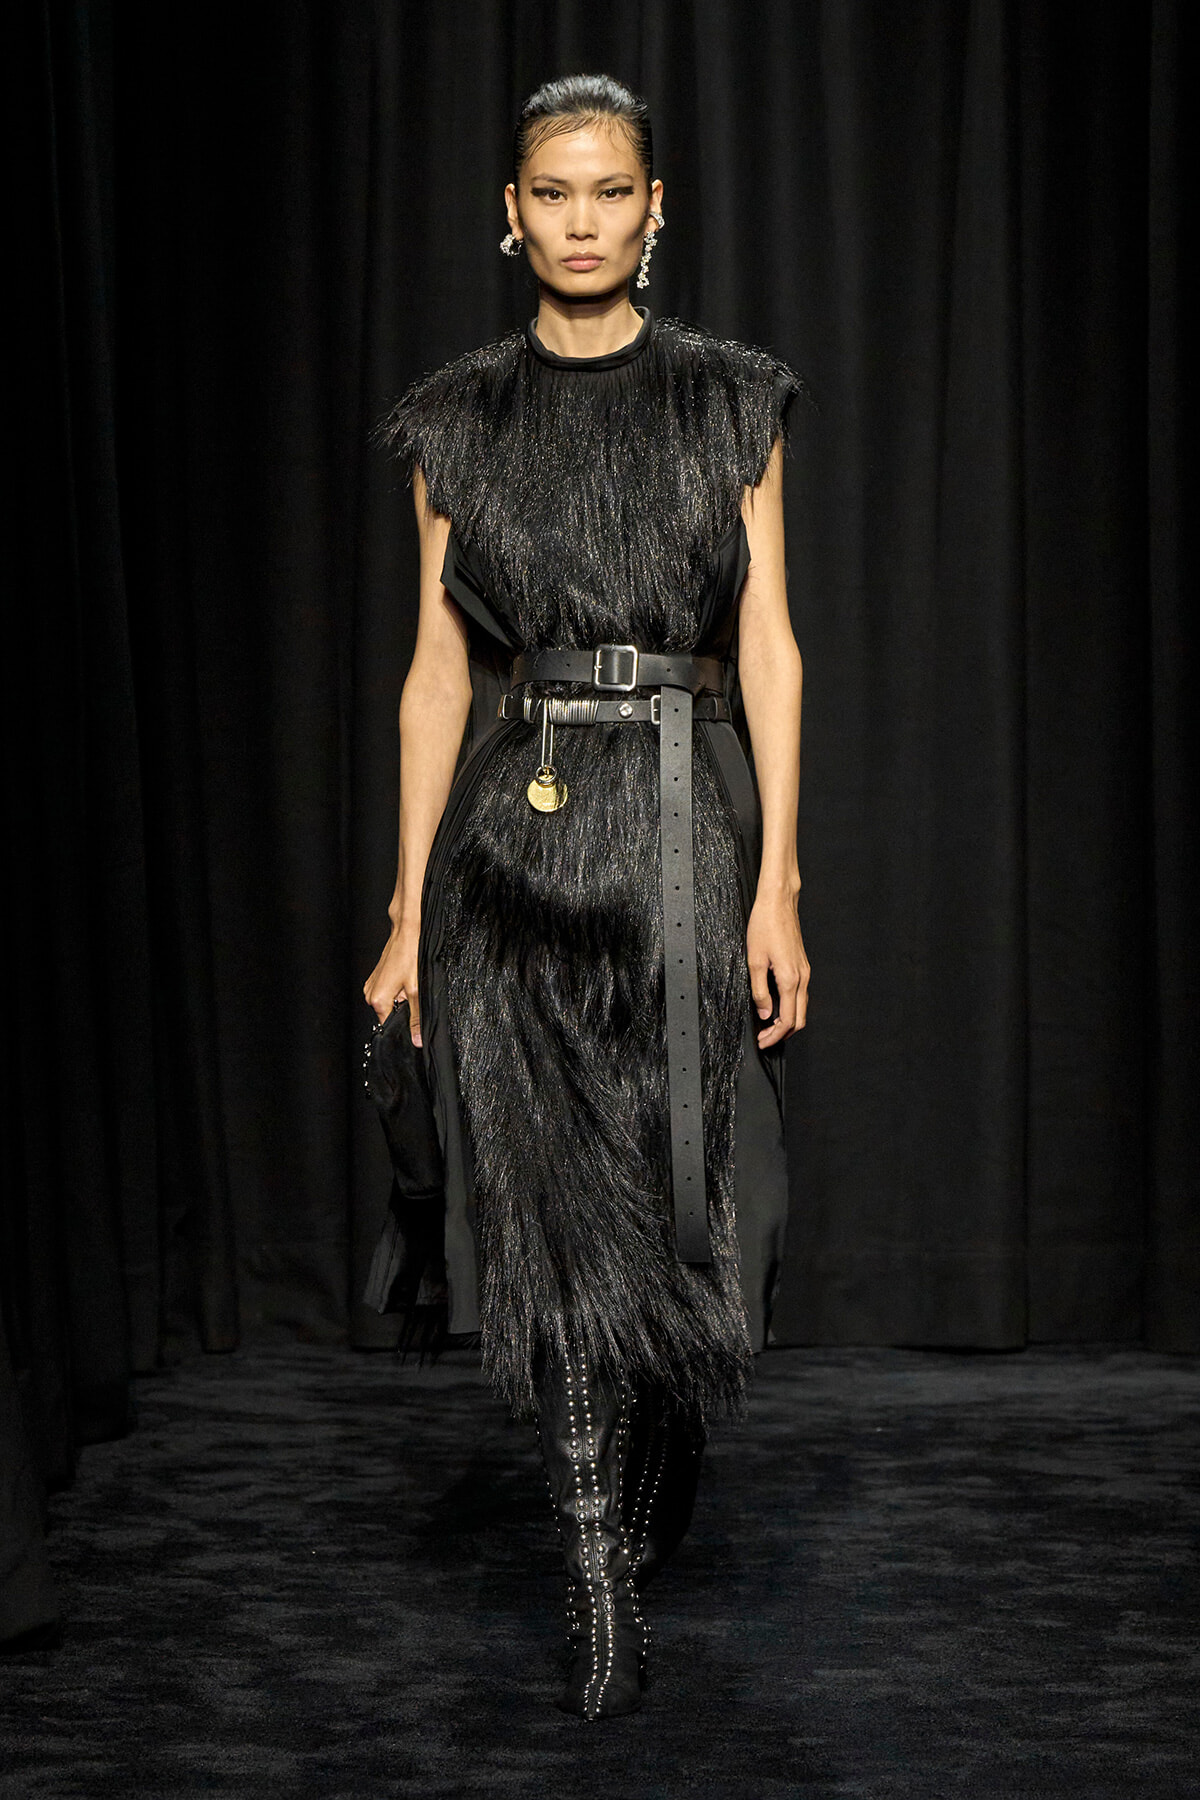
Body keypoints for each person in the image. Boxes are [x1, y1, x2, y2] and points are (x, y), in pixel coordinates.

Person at [363, 72, 810, 1721]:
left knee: (714, 1197)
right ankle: (592, 1559)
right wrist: (405, 911)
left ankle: (663, 1442)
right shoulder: (456, 420)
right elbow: (435, 675)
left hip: (688, 814)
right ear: (511, 213)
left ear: (654, 207)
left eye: (609, 191)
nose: (580, 221)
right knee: (545, 1197)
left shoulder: (729, 400)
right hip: (521, 827)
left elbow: (770, 646)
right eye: (551, 192)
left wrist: (781, 881)